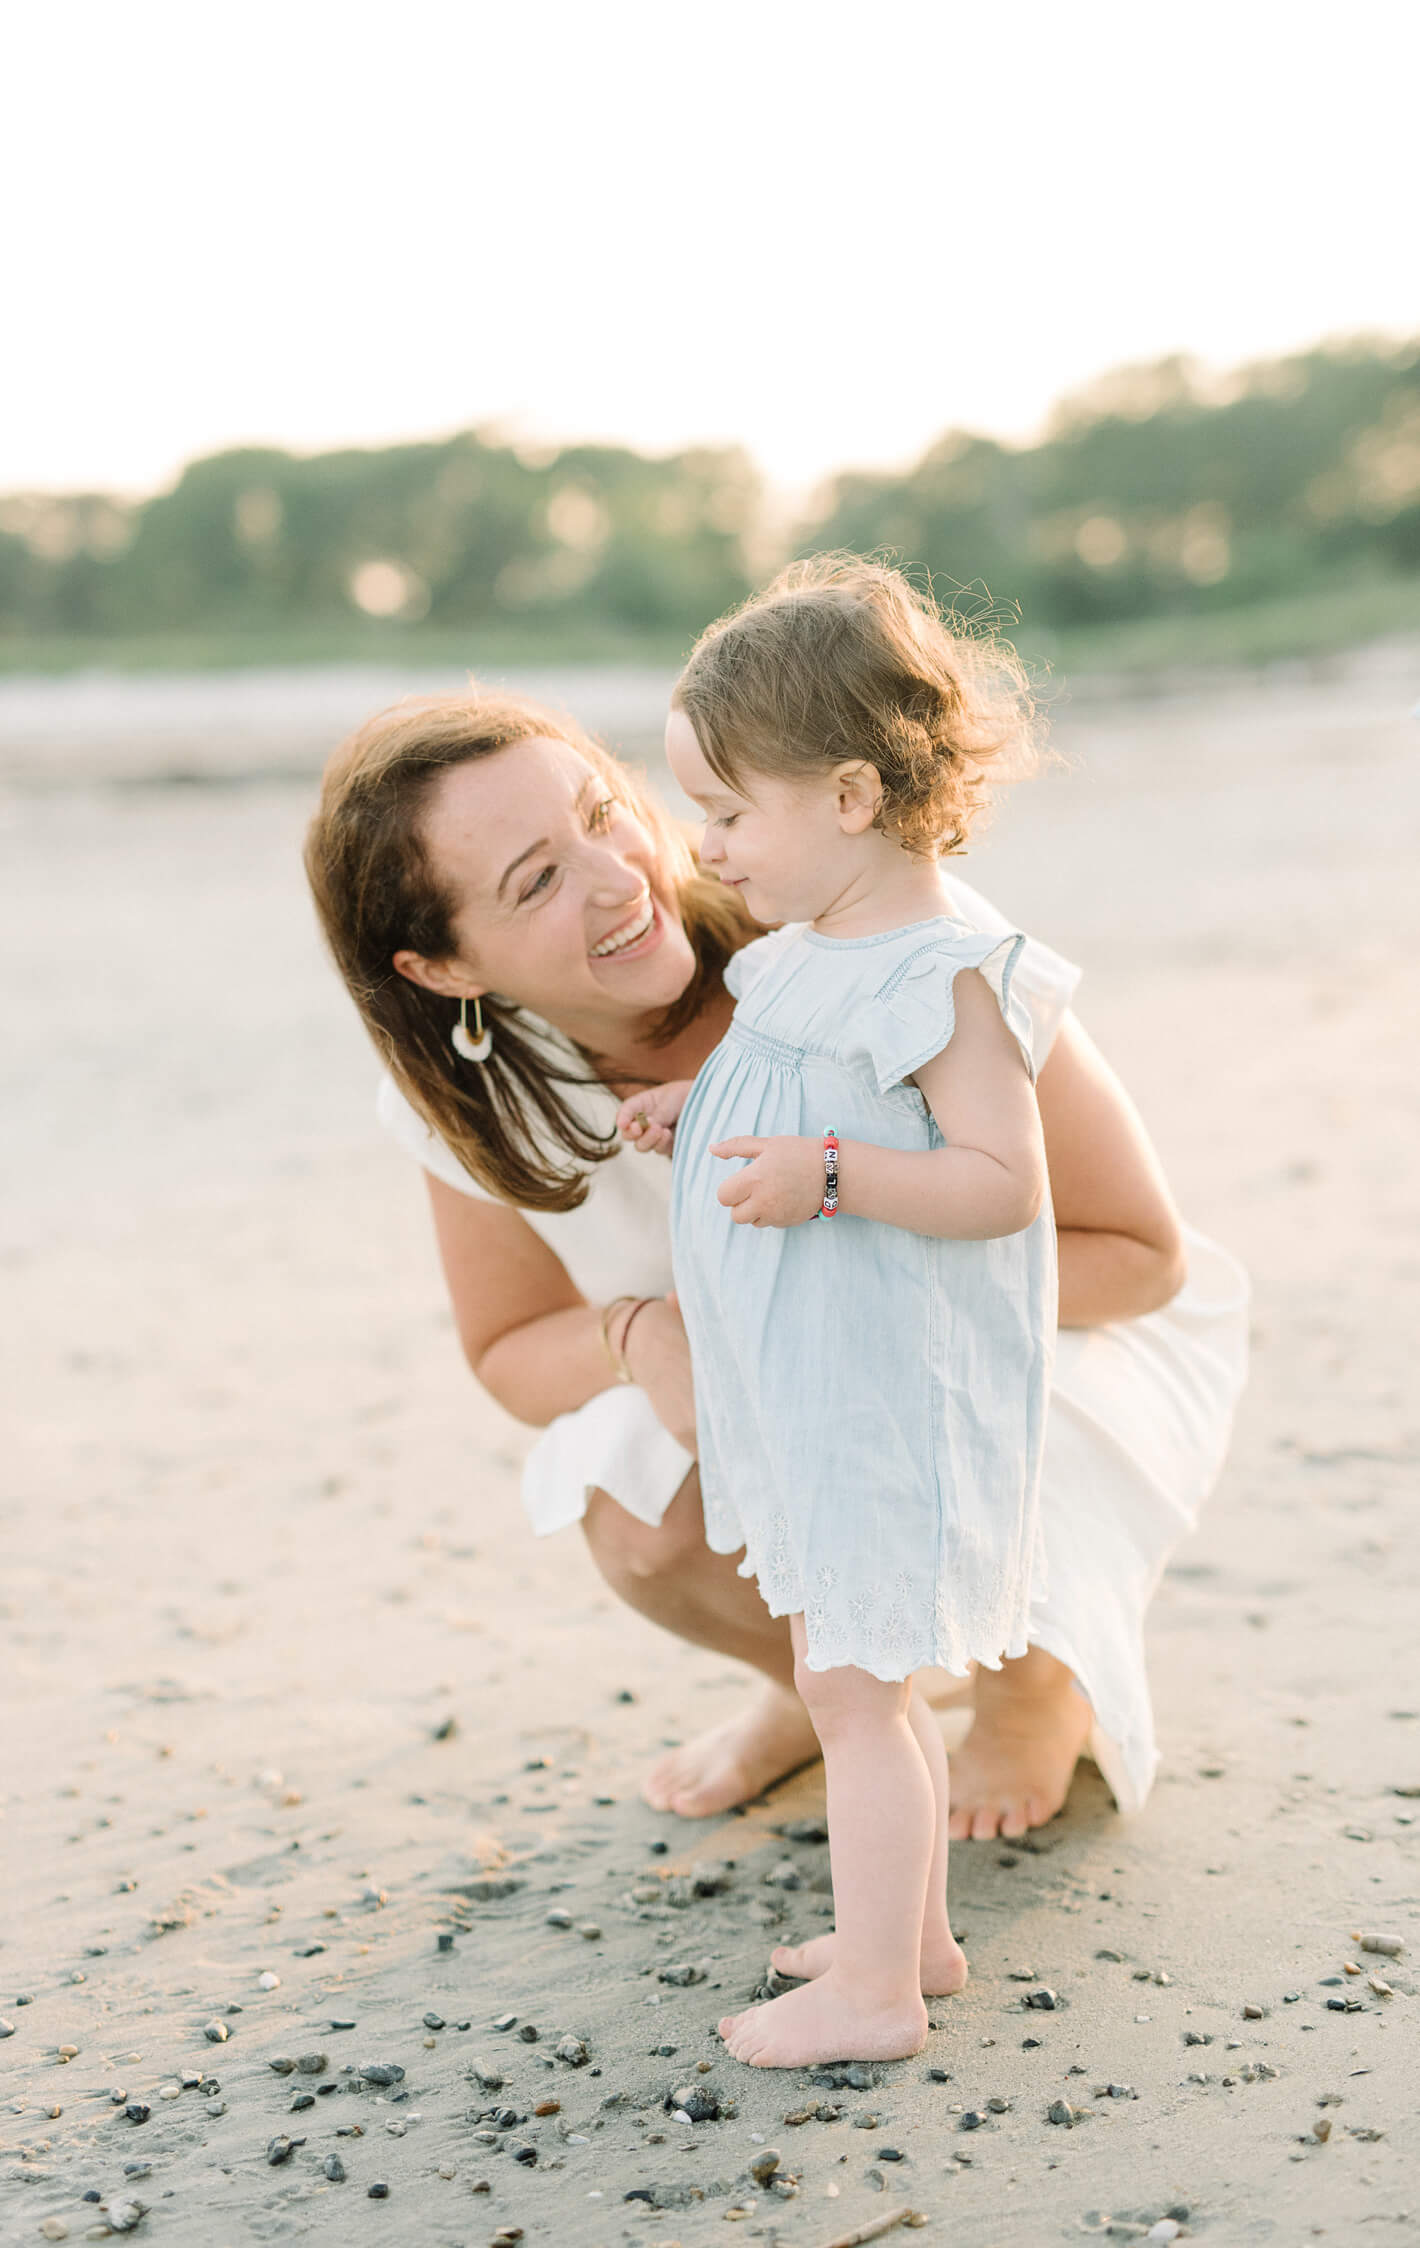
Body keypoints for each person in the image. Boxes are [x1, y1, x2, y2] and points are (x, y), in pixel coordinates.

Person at [303, 596, 1247, 1851]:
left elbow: (1143, 1257)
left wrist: (852, 1262)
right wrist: (643, 1335)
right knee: (635, 1512)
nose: (620, 878)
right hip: (799, 1378)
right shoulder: (468, 1104)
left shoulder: (879, 935)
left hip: (1030, 1343)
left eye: (600, 812)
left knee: (891, 1396)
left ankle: (1035, 1678)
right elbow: (512, 1349)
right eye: (537, 882)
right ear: (445, 969)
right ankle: (839, 1689)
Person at [605, 557, 1057, 2064]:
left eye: (730, 814)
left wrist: (835, 1174)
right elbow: (792, 1093)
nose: (704, 845)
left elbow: (999, 1178)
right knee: (845, 1672)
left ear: (853, 795)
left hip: (884, 1396)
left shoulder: (943, 974)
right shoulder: (810, 959)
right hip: (810, 1386)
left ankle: (870, 1997)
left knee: (859, 1693)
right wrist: (700, 1107)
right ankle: (908, 1936)